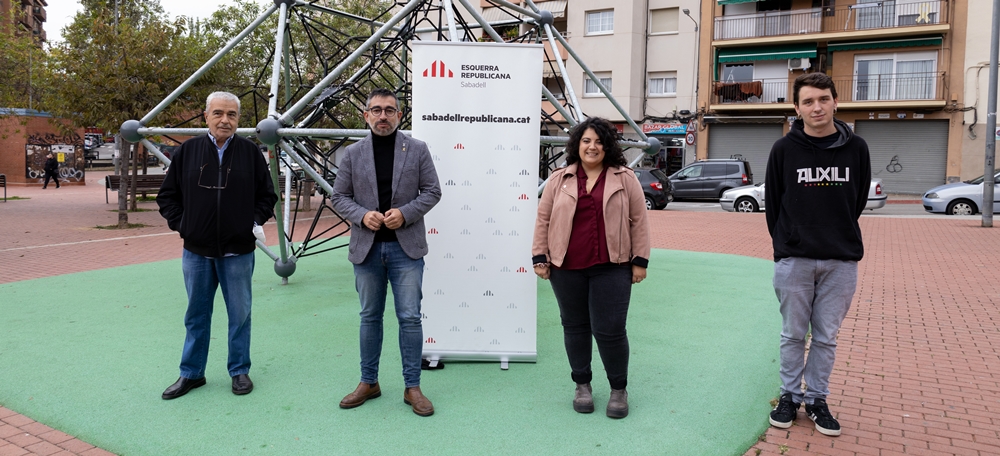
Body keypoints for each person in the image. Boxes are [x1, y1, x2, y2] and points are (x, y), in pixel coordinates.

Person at [765, 73, 871, 437]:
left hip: (840, 260)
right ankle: (789, 397)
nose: (816, 107)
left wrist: (834, 234)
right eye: (808, 101)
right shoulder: (784, 150)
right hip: (795, 259)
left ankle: (818, 400)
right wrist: (786, 247)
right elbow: (774, 205)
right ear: (797, 108)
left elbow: (855, 202)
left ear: (835, 102)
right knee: (793, 334)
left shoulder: (857, 148)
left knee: (826, 337)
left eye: (823, 99)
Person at [156, 91, 277, 400]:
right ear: (206, 116)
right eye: (219, 113)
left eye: (232, 115)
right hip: (196, 250)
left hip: (238, 251)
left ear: (238, 119)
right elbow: (168, 197)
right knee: (196, 314)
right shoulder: (188, 152)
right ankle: (192, 373)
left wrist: (252, 222)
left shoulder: (250, 153)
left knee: (240, 314)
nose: (225, 119)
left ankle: (239, 371)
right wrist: (184, 225)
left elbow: (267, 196)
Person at [331, 88, 441, 416]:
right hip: (367, 250)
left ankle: (413, 387)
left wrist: (405, 213)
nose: (383, 116)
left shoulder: (417, 150)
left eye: (389, 110)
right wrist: (362, 216)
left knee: (409, 318)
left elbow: (433, 191)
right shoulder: (352, 154)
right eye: (376, 110)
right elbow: (339, 197)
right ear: (366, 115)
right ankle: (369, 382)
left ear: (399, 115)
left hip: (406, 250)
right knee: (369, 317)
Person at [531, 116, 650, 419]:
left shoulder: (625, 178)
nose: (592, 146)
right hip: (566, 267)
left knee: (610, 330)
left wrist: (640, 260)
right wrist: (539, 255)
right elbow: (543, 219)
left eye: (598, 141)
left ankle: (618, 389)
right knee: (575, 327)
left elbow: (639, 220)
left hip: (613, 266)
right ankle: (581, 384)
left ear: (607, 145)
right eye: (586, 141)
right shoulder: (560, 179)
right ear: (577, 145)